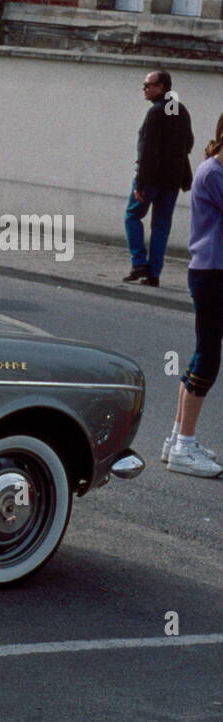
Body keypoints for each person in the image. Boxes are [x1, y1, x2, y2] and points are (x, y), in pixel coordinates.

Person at [165, 113, 223, 478]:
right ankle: (184, 447)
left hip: (211, 272)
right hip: (213, 273)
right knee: (207, 357)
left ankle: (177, 439)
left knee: (204, 352)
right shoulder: (214, 173)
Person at [123, 70, 193, 287]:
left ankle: (138, 263)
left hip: (151, 179)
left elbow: (148, 150)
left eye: (148, 84)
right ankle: (154, 274)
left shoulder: (155, 112)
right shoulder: (179, 109)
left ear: (161, 87)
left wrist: (141, 182)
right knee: (161, 226)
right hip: (172, 180)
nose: (144, 88)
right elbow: (188, 143)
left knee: (132, 216)